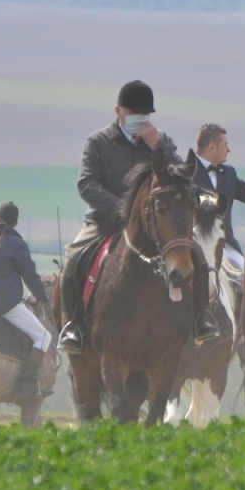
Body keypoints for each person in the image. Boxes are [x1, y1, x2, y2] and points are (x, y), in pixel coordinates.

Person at [55, 80, 219, 353]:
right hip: (105, 222)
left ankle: (202, 318)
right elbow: (87, 184)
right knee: (73, 259)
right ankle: (74, 325)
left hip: (155, 226)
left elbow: (181, 176)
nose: (140, 121)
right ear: (118, 111)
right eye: (133, 115)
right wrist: (123, 211)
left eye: (145, 116)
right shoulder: (98, 142)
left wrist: (158, 147)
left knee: (197, 255)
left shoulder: (160, 140)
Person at [0, 203, 53, 394]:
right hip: (4, 304)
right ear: (15, 223)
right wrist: (42, 296)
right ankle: (28, 384)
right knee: (44, 336)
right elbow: (29, 276)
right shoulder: (17, 244)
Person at [191, 123, 245, 275]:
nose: (228, 149)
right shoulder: (186, 172)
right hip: (195, 244)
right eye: (225, 145)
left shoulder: (229, 174)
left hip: (226, 246)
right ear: (212, 147)